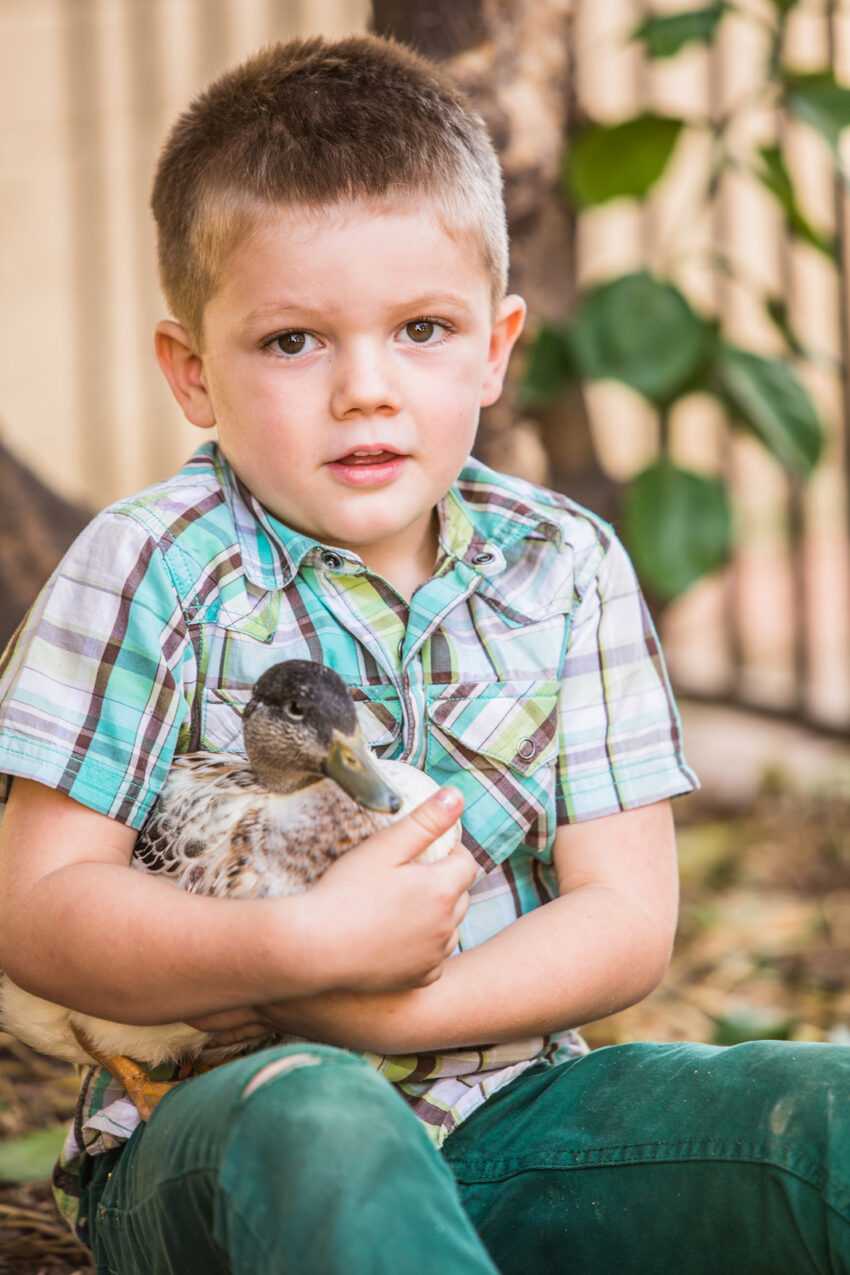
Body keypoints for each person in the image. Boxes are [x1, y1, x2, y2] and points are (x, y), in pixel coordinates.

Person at [0, 32, 846, 1275]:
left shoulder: (567, 564)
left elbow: (624, 918)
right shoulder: (146, 568)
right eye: (294, 342)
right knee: (325, 1124)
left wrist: (396, 1005)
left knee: (817, 1111)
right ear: (192, 371)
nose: (365, 390)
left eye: (422, 329)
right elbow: (38, 909)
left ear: (498, 348)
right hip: (228, 1131)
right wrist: (294, 959)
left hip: (516, 1111)